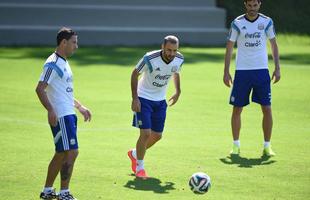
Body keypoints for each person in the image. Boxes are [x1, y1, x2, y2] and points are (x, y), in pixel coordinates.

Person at [36, 27, 91, 200]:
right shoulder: (52, 63)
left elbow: (64, 92)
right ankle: (64, 193)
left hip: (68, 113)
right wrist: (51, 110)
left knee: (61, 152)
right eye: (74, 42)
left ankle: (47, 191)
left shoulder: (64, 62)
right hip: (61, 115)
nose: (76, 46)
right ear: (64, 42)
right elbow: (40, 89)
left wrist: (80, 106)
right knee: (71, 152)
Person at [223, 0, 280, 156]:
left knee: (267, 109)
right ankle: (235, 145)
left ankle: (267, 146)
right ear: (245, 5)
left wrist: (277, 68)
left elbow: (274, 45)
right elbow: (229, 47)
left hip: (262, 71)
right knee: (237, 109)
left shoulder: (267, 22)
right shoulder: (237, 23)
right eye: (249, 5)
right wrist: (226, 71)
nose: (252, 9)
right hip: (242, 71)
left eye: (255, 5)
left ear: (259, 4)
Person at [128, 35, 184, 178]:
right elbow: (134, 74)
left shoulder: (179, 58)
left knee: (157, 135)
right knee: (145, 133)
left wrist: (178, 91)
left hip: (160, 101)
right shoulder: (149, 58)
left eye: (174, 50)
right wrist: (135, 98)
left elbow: (176, 72)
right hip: (143, 98)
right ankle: (140, 168)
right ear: (162, 47)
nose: (171, 54)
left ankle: (135, 154)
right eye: (168, 50)